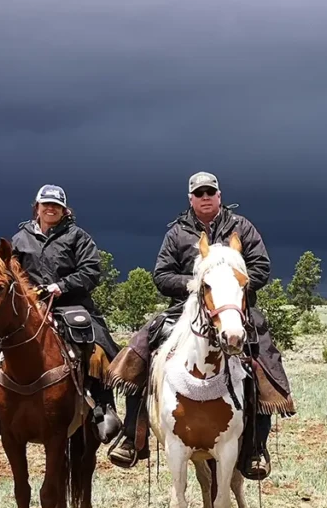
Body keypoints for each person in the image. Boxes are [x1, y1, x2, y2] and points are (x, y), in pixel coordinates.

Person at [106, 171, 295, 479]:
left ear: (219, 196)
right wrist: (197, 284)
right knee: (147, 342)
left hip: (233, 306)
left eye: (211, 192)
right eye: (199, 193)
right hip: (188, 306)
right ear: (191, 199)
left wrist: (230, 285)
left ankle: (257, 446)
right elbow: (161, 274)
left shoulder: (242, 227)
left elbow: (261, 267)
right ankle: (132, 434)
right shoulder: (177, 232)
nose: (205, 197)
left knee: (262, 350)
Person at [0, 184, 122, 443]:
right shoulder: (20, 239)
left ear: (64, 209)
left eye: (56, 205)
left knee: (97, 343)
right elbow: (6, 270)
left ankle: (102, 406)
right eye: (46, 204)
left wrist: (61, 286)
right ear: (37, 207)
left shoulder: (78, 237)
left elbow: (91, 271)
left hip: (71, 303)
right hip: (30, 304)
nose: (51, 209)